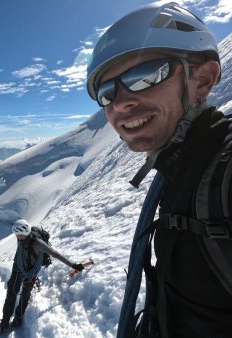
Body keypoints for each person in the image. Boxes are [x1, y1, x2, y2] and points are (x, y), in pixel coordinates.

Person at [85, 2, 232, 338]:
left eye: (144, 75)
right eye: (107, 92)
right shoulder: (182, 171)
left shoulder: (222, 175)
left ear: (204, 80)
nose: (120, 103)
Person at [0, 219, 85, 335]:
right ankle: (5, 320)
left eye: (19, 234)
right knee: (12, 290)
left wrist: (73, 265)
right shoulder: (20, 239)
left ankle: (18, 317)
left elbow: (55, 254)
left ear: (26, 232)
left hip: (32, 270)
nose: (18, 237)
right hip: (18, 265)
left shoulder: (38, 244)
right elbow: (20, 251)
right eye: (16, 234)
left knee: (25, 292)